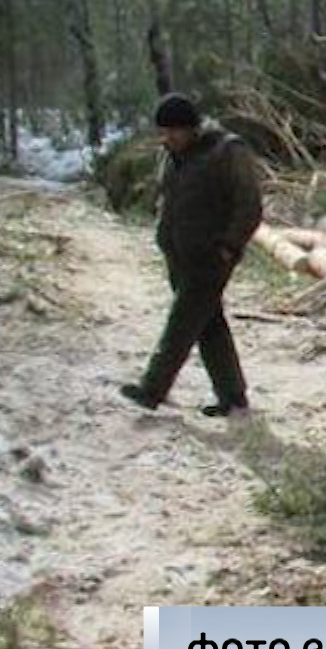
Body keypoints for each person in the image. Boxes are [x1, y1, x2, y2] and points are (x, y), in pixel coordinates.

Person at [119, 93, 263, 417]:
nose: (167, 138)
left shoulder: (227, 150)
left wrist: (229, 246)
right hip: (179, 253)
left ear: (192, 128)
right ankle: (233, 396)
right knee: (208, 324)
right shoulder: (171, 155)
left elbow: (249, 205)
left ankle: (152, 389)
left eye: (173, 132)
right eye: (163, 132)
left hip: (212, 256)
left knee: (181, 324)